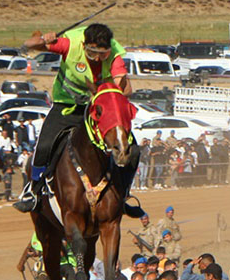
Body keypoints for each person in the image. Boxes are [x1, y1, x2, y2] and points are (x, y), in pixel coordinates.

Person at [13, 23, 143, 218]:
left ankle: (122, 196)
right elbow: (30, 44)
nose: (97, 59)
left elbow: (124, 87)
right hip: (66, 107)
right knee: (44, 145)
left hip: (96, 111)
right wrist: (43, 40)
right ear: (84, 46)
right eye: (92, 53)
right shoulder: (70, 44)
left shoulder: (115, 54)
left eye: (103, 55)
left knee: (132, 149)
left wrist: (116, 91)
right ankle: (33, 190)